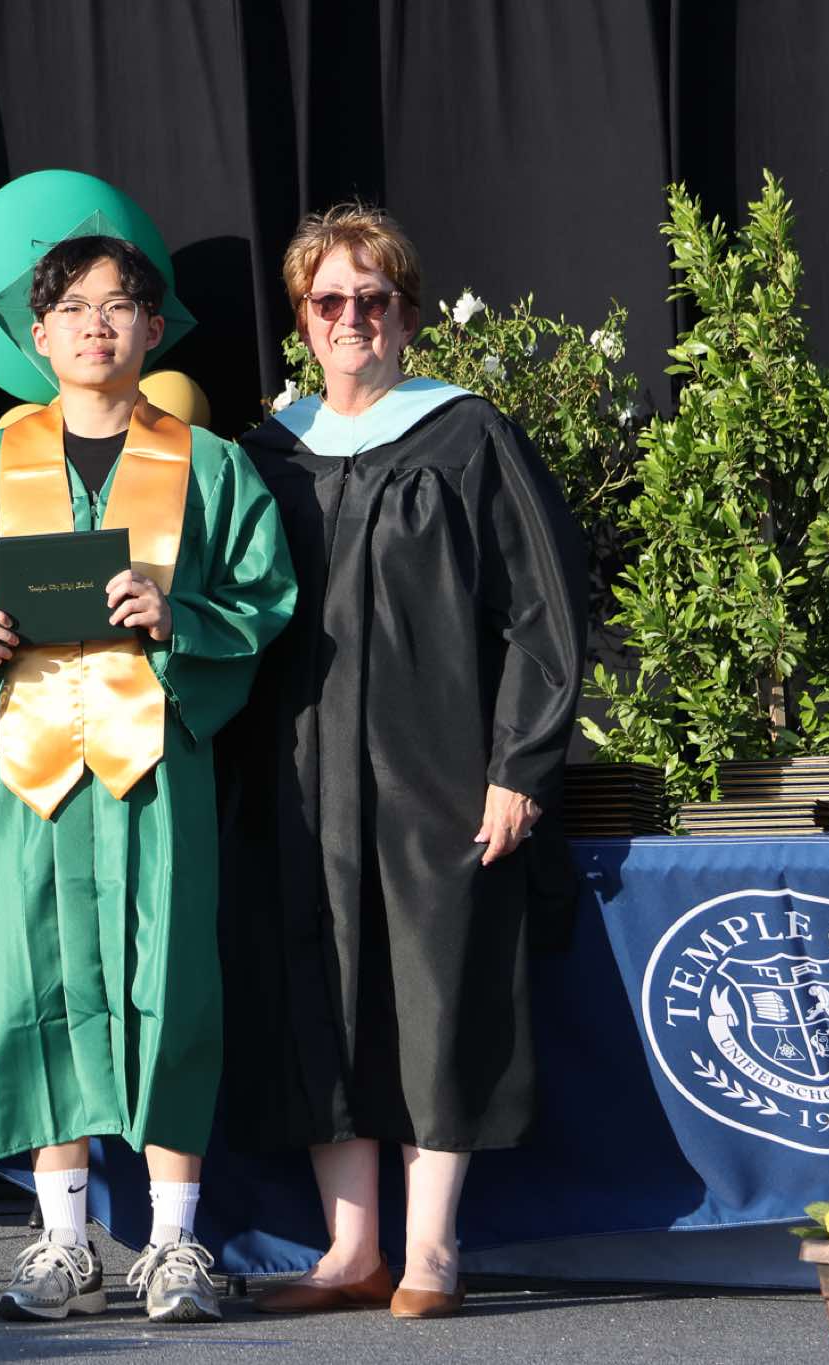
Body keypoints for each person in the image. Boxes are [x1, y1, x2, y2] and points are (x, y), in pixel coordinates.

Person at [219, 203, 588, 1319]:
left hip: (436, 770)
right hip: (296, 774)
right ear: (301, 318)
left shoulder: (466, 436)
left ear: (407, 313)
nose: (351, 319)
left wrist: (520, 765)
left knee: (434, 987)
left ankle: (431, 1246)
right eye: (327, 300)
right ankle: (351, 1250)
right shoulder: (268, 452)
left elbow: (544, 613)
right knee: (317, 989)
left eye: (371, 299)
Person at [0, 235, 295, 1324]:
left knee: (170, 985)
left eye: (120, 304)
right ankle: (63, 1242)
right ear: (38, 335)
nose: (97, 324)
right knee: (31, 989)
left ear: (153, 328)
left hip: (153, 769)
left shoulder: (209, 464)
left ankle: (173, 1244)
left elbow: (265, 599)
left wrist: (180, 616)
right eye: (73, 307)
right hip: (29, 773)